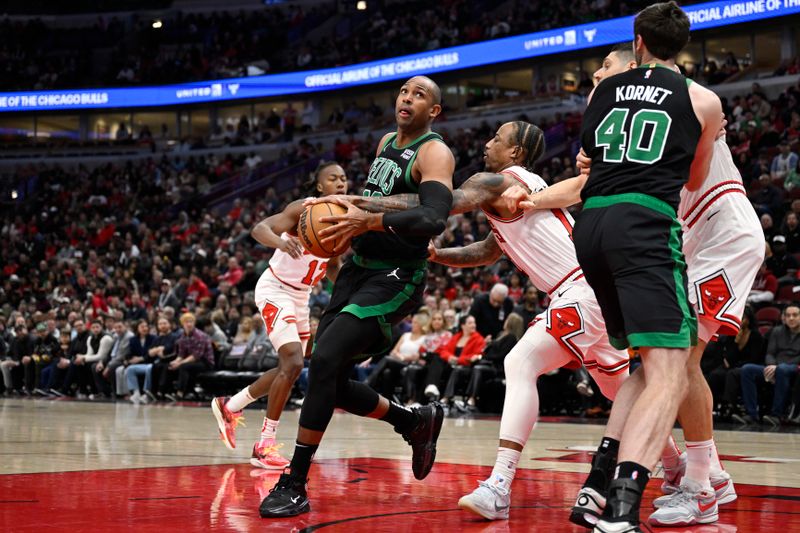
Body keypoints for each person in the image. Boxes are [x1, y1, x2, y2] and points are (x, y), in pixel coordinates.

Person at [505, 5, 725, 528]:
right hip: (642, 226)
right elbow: (692, 181)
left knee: (644, 365)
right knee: (672, 369)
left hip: (591, 228)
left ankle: (597, 489)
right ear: (682, 44)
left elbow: (592, 164)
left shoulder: (602, 92)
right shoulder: (704, 99)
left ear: (638, 41)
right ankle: (626, 504)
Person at [351, 119, 630, 521]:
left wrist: (364, 203)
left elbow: (440, 204)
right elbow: (487, 250)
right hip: (592, 292)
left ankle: (499, 486)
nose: (486, 144)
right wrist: (439, 255)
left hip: (580, 289)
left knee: (520, 363)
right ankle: (686, 472)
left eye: (497, 139)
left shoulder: (497, 182)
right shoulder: (518, 188)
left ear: (515, 153)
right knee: (622, 394)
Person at [259, 75, 453, 518]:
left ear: (434, 112)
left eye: (420, 95)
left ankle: (294, 480)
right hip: (356, 270)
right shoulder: (387, 140)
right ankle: (414, 421)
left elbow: (433, 217)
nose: (408, 98)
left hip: (396, 274)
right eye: (405, 91)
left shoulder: (434, 151)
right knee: (329, 379)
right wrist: (348, 220)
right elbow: (380, 202)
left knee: (324, 361)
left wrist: (366, 221)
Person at [211, 161, 348, 470]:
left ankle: (229, 405)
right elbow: (259, 228)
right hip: (275, 288)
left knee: (291, 366)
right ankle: (264, 445)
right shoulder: (303, 209)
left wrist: (350, 292)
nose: (340, 183)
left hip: (302, 296)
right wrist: (282, 243)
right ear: (319, 186)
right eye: (333, 178)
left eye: (344, 178)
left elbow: (334, 266)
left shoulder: (343, 216)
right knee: (294, 362)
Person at [739, 304, 800, 426]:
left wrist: (777, 368)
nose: (791, 318)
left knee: (782, 370)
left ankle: (776, 415)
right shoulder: (777, 331)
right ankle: (752, 414)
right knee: (747, 369)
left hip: (794, 368)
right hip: (775, 366)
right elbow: (770, 353)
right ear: (784, 317)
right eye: (788, 315)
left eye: (795, 315)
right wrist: (771, 367)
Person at [367, 312, 429, 400]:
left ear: (421, 325)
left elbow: (417, 356)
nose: (412, 324)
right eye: (412, 322)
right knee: (387, 372)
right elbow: (393, 351)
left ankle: (368, 384)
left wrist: (404, 357)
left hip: (411, 365)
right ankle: (386, 400)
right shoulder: (406, 335)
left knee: (386, 359)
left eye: (415, 323)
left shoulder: (425, 338)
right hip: (399, 362)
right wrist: (401, 357)